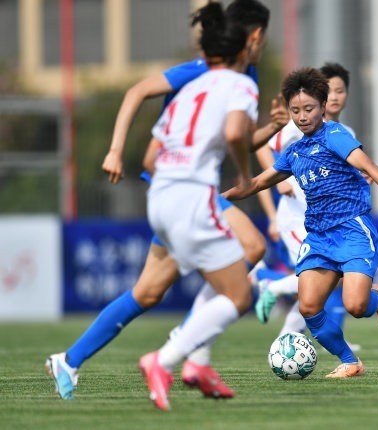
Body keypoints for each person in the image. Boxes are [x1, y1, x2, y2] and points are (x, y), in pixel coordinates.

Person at [45, 0, 283, 401]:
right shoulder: (212, 73)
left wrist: (272, 127)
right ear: (254, 36)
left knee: (147, 292)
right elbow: (225, 132)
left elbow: (166, 153)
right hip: (189, 189)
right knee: (251, 254)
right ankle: (189, 350)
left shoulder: (228, 78)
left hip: (164, 189)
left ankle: (68, 360)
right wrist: (114, 149)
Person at [223, 67, 378, 378]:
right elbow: (256, 183)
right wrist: (216, 199)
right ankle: (350, 361)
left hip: (352, 229)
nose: (302, 116)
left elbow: (366, 164)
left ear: (323, 106)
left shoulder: (335, 135)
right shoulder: (294, 152)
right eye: (295, 110)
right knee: (309, 307)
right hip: (319, 238)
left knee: (356, 306)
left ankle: (376, 297)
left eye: (309, 109)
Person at [135, 2, 259, 411]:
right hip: (192, 198)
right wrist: (244, 175)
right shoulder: (241, 84)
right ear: (243, 50)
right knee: (239, 295)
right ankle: (164, 359)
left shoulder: (189, 89)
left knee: (230, 276)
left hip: (159, 199)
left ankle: (199, 363)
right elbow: (235, 132)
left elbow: (150, 158)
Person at [254, 63, 375, 350]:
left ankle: (287, 342)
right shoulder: (299, 124)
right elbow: (262, 146)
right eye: (330, 91)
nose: (335, 96)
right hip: (298, 217)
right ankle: (271, 284)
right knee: (322, 279)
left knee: (322, 286)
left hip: (330, 222)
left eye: (340, 91)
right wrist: (279, 184)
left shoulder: (343, 131)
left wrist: (361, 175)